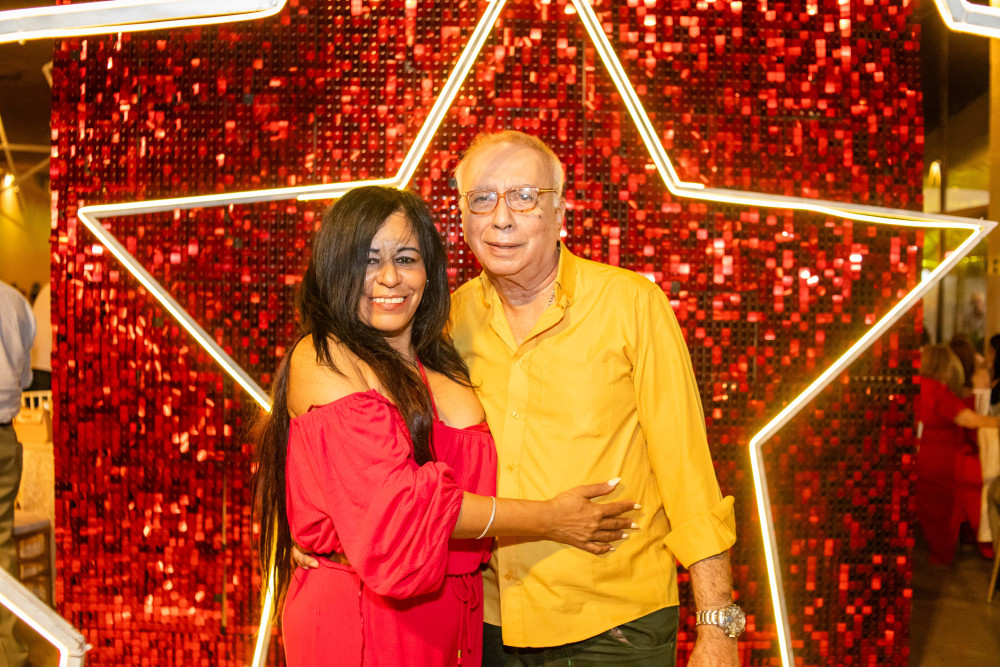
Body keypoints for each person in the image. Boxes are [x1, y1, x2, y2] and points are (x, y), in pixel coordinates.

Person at [254, 186, 637, 667]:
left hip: (456, 614)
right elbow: (400, 510)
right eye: (368, 260)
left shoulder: (446, 358)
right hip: (364, 612)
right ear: (334, 268)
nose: (389, 277)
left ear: (429, 271)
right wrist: (549, 519)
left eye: (406, 259)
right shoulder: (325, 356)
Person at [449, 131, 740, 666]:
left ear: (560, 210)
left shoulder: (632, 304)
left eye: (524, 197)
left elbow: (686, 471)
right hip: (485, 621)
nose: (502, 218)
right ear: (463, 218)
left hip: (615, 627)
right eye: (482, 198)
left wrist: (718, 625)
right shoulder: (448, 320)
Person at [916, 344, 1000, 565]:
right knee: (986, 482)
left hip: (928, 460)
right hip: (947, 463)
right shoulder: (936, 391)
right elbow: (967, 419)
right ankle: (988, 542)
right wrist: (996, 422)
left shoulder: (921, 387)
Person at [0, 279, 35, 667]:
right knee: (1, 547)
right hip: (5, 435)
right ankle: (9, 654)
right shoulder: (14, 301)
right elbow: (25, 378)